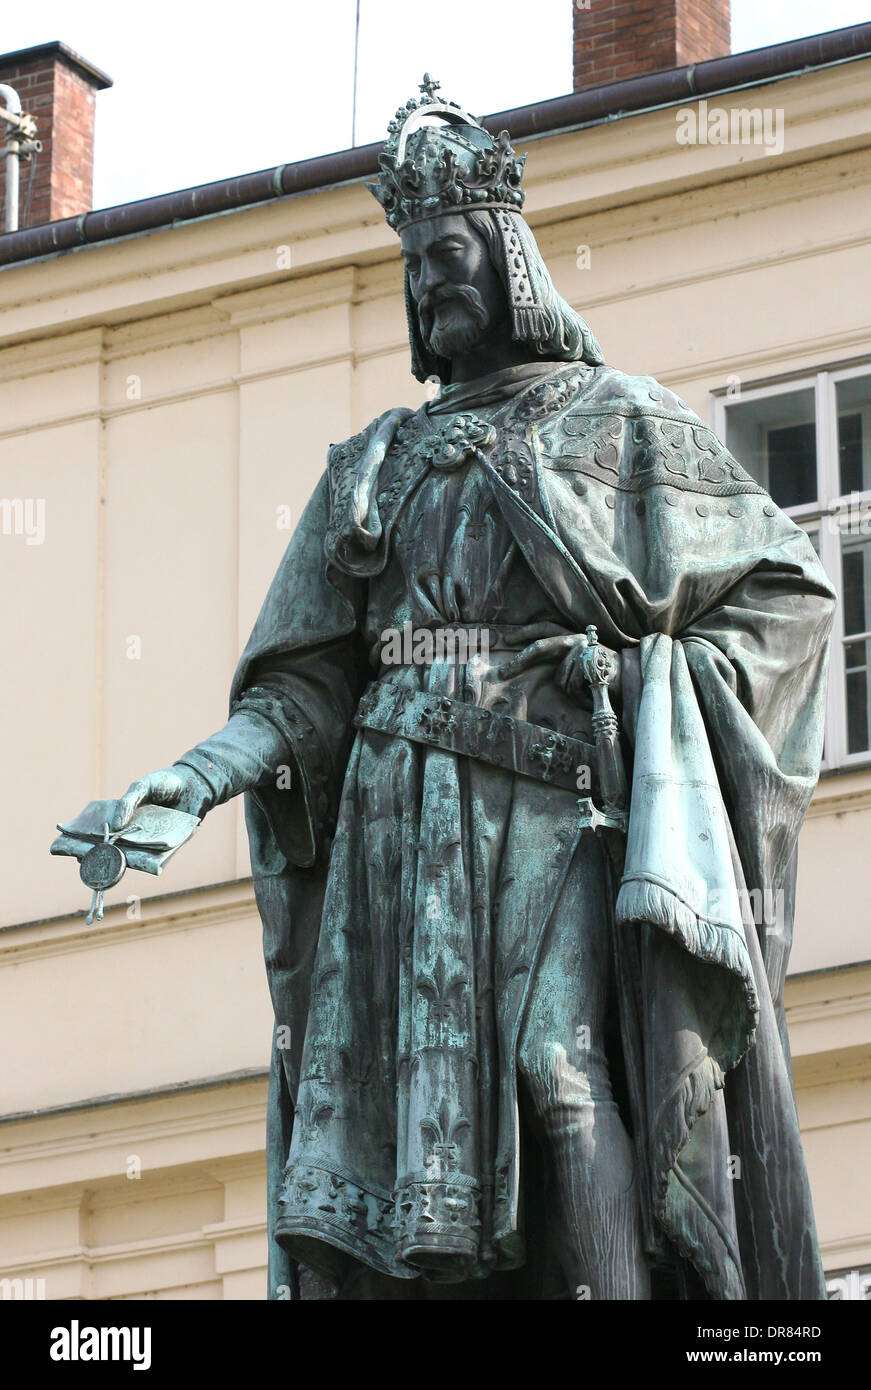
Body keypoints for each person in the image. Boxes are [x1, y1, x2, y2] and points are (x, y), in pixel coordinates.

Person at [99, 80, 835, 1299]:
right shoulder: (370, 470)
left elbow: (789, 603)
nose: (430, 281)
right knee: (399, 1178)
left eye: (448, 254)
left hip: (557, 821)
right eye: (414, 264)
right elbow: (303, 691)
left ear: (508, 261)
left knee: (561, 1076)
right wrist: (191, 778)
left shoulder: (625, 427)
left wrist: (646, 670)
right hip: (397, 848)